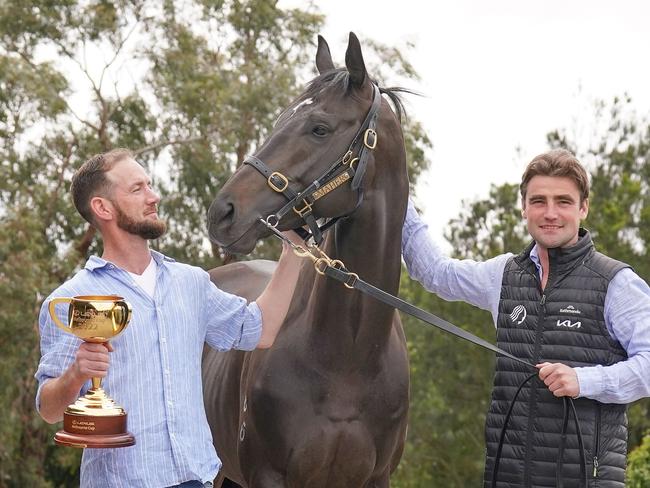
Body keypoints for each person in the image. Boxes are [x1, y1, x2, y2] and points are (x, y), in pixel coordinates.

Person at [35, 148, 303, 488]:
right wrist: (76, 374)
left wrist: (293, 250)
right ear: (102, 208)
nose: (153, 196)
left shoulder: (190, 282)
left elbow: (258, 329)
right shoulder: (70, 300)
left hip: (196, 478)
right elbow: (49, 409)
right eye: (137, 189)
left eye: (150, 185)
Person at [402, 148, 650, 487]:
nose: (550, 213)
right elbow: (435, 272)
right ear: (524, 208)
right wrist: (397, 188)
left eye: (563, 201)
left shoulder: (616, 283)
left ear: (583, 208)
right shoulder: (503, 274)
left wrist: (584, 380)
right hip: (505, 477)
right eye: (538, 201)